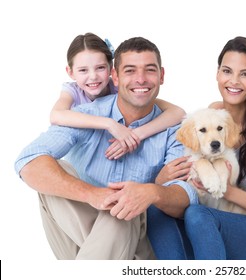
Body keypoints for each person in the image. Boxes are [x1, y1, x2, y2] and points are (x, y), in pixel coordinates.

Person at [14, 36, 197, 260]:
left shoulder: (175, 131)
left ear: (161, 76)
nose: (140, 79)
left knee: (125, 207)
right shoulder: (87, 115)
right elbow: (28, 161)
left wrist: (150, 191)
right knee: (53, 169)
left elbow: (183, 197)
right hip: (89, 234)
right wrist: (94, 195)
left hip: (139, 243)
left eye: (149, 70)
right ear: (115, 77)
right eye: (130, 70)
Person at [148, 36, 246, 260]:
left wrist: (228, 191)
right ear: (217, 73)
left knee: (198, 215)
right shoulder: (211, 118)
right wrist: (162, 180)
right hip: (216, 225)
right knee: (158, 208)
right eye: (227, 71)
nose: (234, 81)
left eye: (245, 74)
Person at [50, 32, 185, 159]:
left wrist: (137, 134)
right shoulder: (72, 90)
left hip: (113, 147)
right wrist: (110, 124)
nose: (93, 77)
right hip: (81, 151)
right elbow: (56, 115)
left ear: (111, 70)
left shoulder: (121, 87)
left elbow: (178, 112)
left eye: (100, 68)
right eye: (83, 70)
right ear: (71, 72)